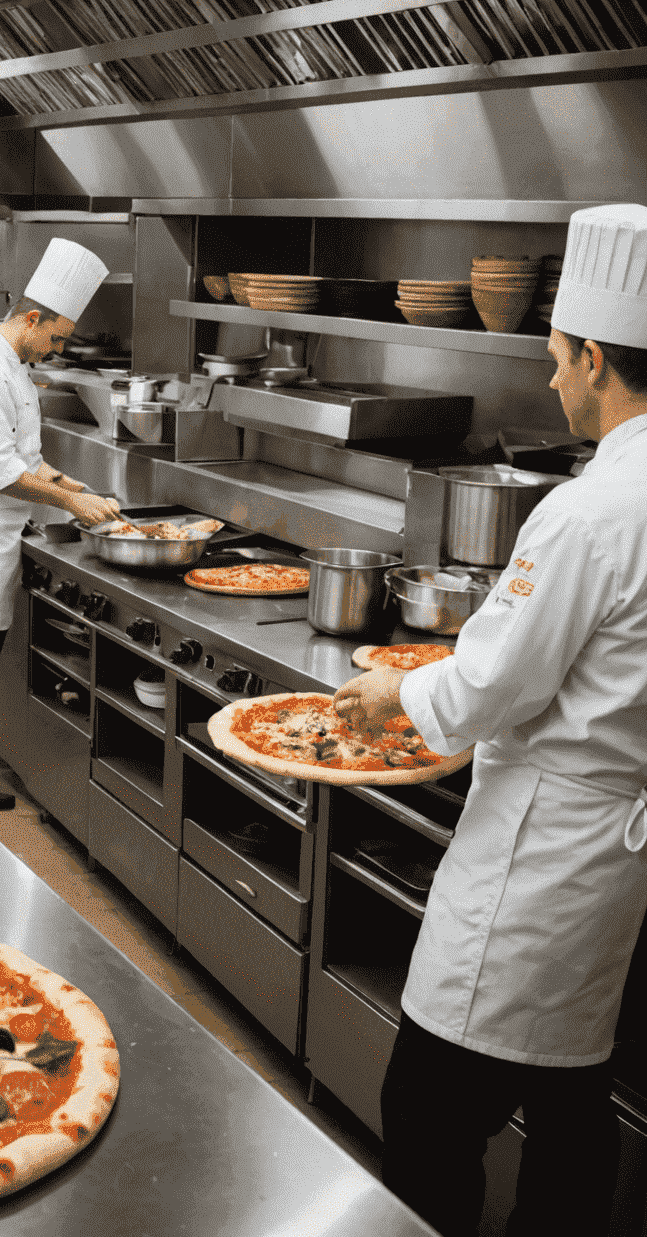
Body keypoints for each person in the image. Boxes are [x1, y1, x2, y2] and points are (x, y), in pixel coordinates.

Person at [334, 202, 647, 1237]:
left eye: (558, 358)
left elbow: (480, 694)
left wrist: (393, 692)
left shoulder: (589, 511)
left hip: (541, 849)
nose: (553, 378)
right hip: (616, 850)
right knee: (570, 1104)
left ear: (596, 356)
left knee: (429, 1113)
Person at [0, 239, 122, 811]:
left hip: (0, 532)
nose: (57, 349)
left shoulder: (11, 364)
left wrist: (75, 489)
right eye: (56, 337)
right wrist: (72, 508)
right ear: (31, 318)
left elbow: (27, 461)